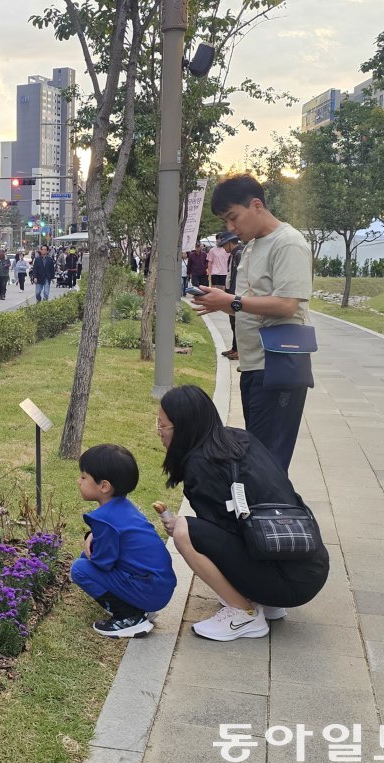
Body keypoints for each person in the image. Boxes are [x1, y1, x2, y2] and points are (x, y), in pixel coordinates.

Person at [156, 385, 329, 641]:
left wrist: (183, 528)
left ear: (184, 428)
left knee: (185, 532)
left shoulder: (201, 465)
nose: (159, 432)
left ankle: (243, 614)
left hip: (289, 581)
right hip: (310, 566)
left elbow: (218, 538)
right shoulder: (238, 438)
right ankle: (266, 602)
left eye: (163, 426)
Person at [193, 173, 313, 471]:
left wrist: (231, 301)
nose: (231, 228)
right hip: (254, 366)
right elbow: (253, 306)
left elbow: (287, 304)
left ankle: (276, 516)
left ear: (256, 205)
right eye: (225, 221)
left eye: (233, 217)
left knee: (268, 463)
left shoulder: (288, 243)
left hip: (277, 367)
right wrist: (222, 302)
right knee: (259, 457)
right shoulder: (253, 246)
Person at [70, 444, 177, 638]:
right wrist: (93, 537)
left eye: (84, 477)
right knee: (84, 559)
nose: (79, 481)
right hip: (158, 584)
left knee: (79, 569)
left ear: (104, 486)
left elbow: (103, 563)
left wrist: (93, 544)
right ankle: (137, 607)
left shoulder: (105, 520)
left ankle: (128, 617)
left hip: (149, 589)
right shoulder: (125, 507)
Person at [217, 231, 243, 360]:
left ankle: (239, 350)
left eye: (223, 245)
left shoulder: (239, 254)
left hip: (237, 293)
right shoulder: (233, 254)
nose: (223, 248)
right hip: (231, 291)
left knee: (237, 323)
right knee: (233, 322)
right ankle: (234, 348)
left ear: (229, 243)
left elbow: (240, 277)